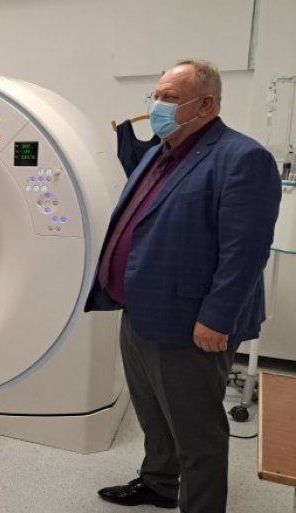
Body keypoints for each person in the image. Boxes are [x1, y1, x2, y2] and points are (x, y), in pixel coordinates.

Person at [86, 59, 281, 512]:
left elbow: (245, 251)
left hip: (192, 323)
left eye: (169, 98)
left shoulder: (242, 158)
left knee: (197, 432)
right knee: (153, 412)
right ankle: (159, 483)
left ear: (207, 104)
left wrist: (217, 319)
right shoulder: (161, 151)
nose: (157, 106)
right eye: (156, 96)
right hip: (140, 308)